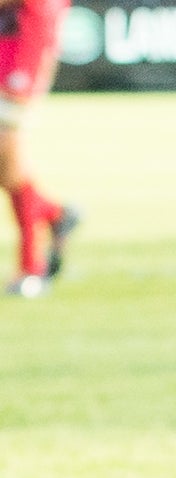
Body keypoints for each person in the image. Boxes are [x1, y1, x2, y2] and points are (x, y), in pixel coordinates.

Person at [0, 0, 79, 298]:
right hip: (10, 54)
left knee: (11, 166)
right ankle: (56, 215)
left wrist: (27, 76)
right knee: (8, 171)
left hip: (20, 64)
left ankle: (32, 266)